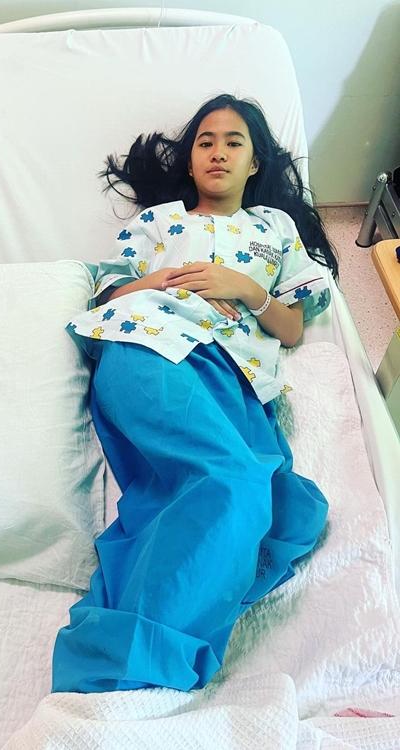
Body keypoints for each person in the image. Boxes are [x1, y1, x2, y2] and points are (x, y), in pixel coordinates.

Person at [51, 94, 337, 694]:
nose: (218, 152)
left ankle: (146, 629)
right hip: (151, 342)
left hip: (235, 373)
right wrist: (162, 281)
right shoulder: (159, 224)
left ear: (255, 163)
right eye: (206, 141)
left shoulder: (275, 230)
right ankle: (130, 666)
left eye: (234, 142)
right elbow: (106, 293)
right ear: (190, 159)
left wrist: (245, 288)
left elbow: (291, 327)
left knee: (280, 504)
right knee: (230, 482)